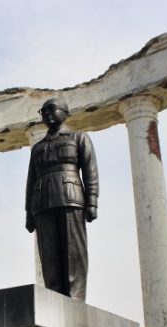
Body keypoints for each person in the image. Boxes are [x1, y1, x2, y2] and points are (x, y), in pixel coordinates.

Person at [25, 97, 98, 301]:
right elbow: (31, 181)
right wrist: (28, 214)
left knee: (73, 252)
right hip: (41, 204)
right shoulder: (37, 148)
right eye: (43, 111)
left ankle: (75, 298)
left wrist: (92, 201)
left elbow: (90, 171)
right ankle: (55, 297)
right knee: (49, 255)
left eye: (51, 109)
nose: (47, 113)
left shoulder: (78, 138)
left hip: (70, 200)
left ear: (65, 113)